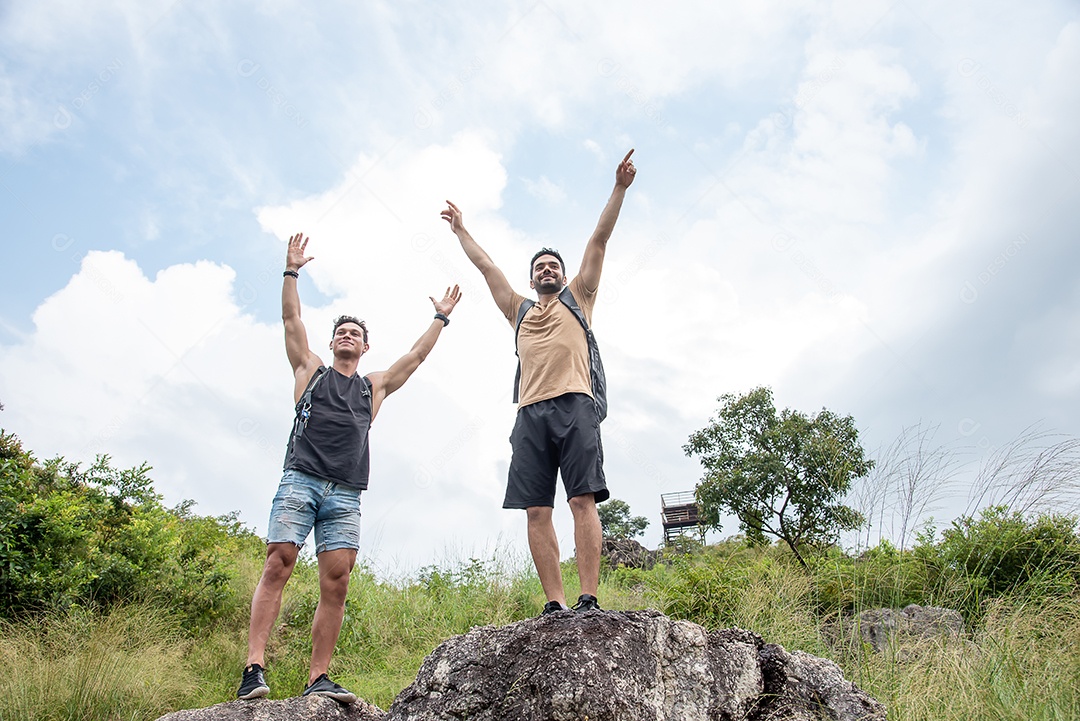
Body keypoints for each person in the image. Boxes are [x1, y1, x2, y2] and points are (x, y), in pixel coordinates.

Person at [237, 231, 461, 702]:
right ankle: (253, 669)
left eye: (355, 334)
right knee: (278, 563)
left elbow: (416, 358)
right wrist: (291, 270)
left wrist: (440, 317)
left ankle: (318, 677)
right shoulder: (309, 370)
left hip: (345, 494)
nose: (346, 336)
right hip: (300, 479)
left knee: (336, 582)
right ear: (333, 340)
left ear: (364, 348)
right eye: (341, 331)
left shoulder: (372, 387)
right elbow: (290, 316)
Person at [440, 149, 637, 615]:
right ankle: (555, 603)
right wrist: (461, 229)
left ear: (565, 275)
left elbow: (599, 239)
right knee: (535, 509)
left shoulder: (580, 298)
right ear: (531, 278)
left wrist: (620, 188)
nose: (546, 270)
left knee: (582, 499)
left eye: (553, 266)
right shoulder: (519, 310)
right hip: (530, 414)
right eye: (539, 268)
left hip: (576, 405)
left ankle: (589, 598)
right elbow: (487, 267)